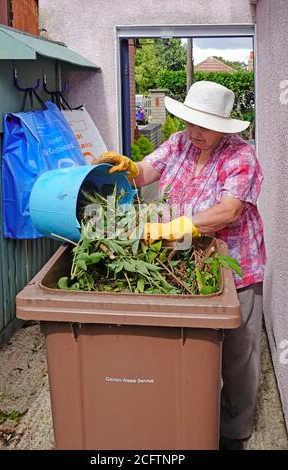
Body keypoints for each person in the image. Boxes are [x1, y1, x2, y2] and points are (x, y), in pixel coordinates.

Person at [92, 80, 266, 450]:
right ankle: (189, 417)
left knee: (239, 353)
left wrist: (178, 226)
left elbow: (229, 210)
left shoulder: (241, 157)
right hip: (184, 262)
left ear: (223, 126)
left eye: (204, 126)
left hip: (235, 264)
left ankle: (234, 432)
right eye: (190, 122)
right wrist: (127, 167)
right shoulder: (178, 144)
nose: (195, 132)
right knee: (193, 347)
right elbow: (146, 172)